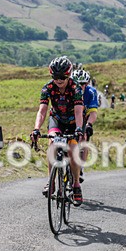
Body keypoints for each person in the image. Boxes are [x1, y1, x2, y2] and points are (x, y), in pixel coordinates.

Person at [30, 56, 85, 204]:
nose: (59, 80)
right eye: (55, 77)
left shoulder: (76, 88)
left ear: (68, 75)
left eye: (62, 77)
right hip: (57, 120)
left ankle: (76, 185)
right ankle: (51, 182)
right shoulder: (48, 88)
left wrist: (79, 129)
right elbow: (42, 111)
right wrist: (36, 129)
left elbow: (79, 112)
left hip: (73, 122)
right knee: (52, 144)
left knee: (73, 150)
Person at [71, 69, 98, 182]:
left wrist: (89, 125)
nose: (80, 86)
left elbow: (93, 113)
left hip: (83, 119)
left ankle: (80, 167)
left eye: (83, 84)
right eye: (77, 83)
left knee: (84, 138)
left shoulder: (91, 92)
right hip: (70, 118)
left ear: (87, 84)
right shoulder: (68, 91)